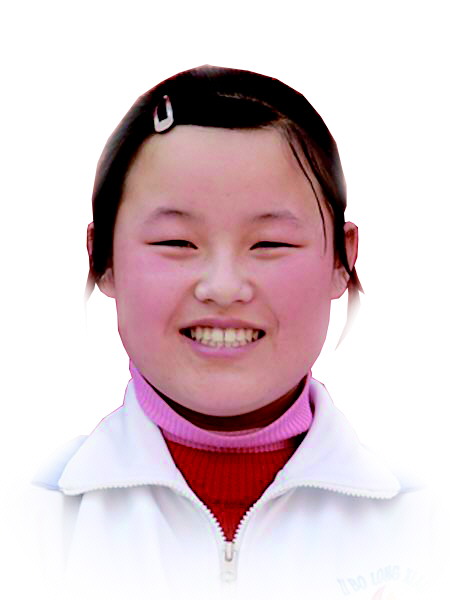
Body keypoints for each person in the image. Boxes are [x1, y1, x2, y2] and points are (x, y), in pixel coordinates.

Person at [28, 65, 441, 600]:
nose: (223, 288)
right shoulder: (30, 518)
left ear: (343, 259)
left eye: (270, 244)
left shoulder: (428, 525)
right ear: (102, 258)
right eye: (176, 242)